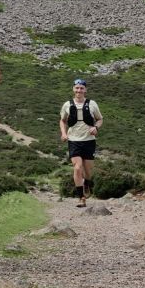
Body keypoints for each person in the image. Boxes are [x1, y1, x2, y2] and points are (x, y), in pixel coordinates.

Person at [59, 79, 103, 207]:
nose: (79, 90)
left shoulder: (92, 104)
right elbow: (62, 120)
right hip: (74, 140)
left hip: (89, 141)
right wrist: (63, 133)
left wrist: (96, 127)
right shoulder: (67, 105)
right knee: (77, 167)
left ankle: (87, 183)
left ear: (85, 90)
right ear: (73, 89)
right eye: (77, 88)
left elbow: (100, 119)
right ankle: (81, 197)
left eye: (81, 88)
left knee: (88, 171)